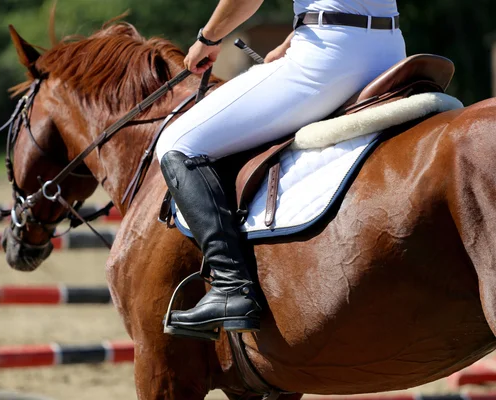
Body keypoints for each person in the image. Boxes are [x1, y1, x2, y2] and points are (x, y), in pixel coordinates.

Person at [156, 0, 406, 336]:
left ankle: (231, 287)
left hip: (329, 56)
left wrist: (209, 38)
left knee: (176, 143)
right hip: (391, 49)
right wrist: (292, 40)